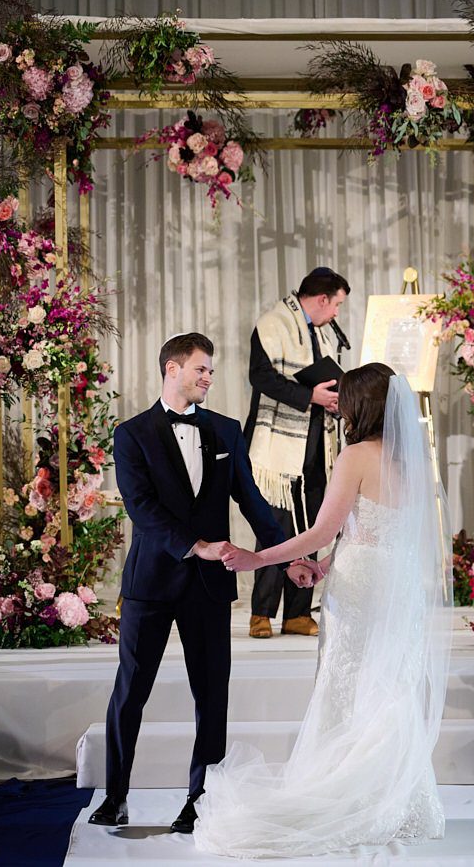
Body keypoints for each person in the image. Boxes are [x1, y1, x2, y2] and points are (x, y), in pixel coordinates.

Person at [199, 364, 453, 858]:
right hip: (395, 584)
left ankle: (345, 789)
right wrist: (325, 564)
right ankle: (397, 796)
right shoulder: (413, 457)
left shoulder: (355, 456)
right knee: (388, 683)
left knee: (348, 680)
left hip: (359, 588)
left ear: (363, 407)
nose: (336, 409)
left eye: (344, 400)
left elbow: (322, 530)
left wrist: (259, 560)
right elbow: (382, 530)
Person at [88, 333, 286, 834]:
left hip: (209, 587)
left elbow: (252, 501)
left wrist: (288, 555)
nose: (208, 378)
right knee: (130, 692)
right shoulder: (132, 434)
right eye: (201, 369)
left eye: (211, 371)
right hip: (151, 582)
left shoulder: (225, 430)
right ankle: (115, 797)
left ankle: (201, 800)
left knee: (211, 695)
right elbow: (142, 509)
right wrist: (194, 545)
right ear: (171, 368)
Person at [244, 267, 348, 638]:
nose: (336, 313)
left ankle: (298, 612)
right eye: (336, 304)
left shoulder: (322, 331)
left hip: (319, 441)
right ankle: (262, 612)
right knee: (277, 525)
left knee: (314, 525)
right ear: (322, 299)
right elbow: (261, 377)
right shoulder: (273, 323)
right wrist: (310, 396)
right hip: (279, 444)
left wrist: (334, 399)